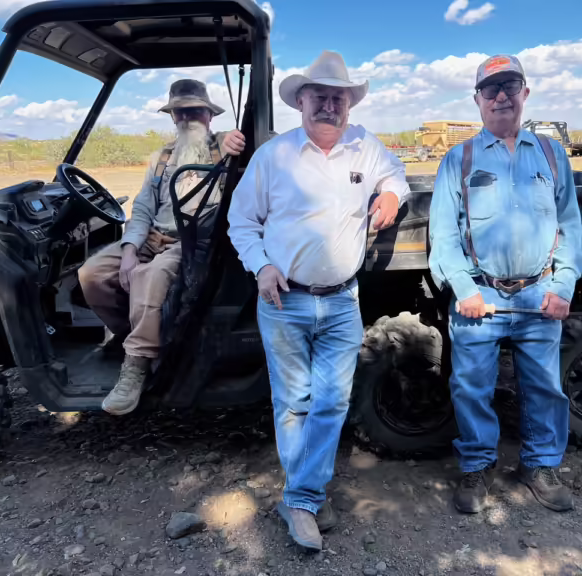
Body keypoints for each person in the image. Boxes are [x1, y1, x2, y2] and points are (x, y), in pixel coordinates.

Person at [227, 50, 410, 551]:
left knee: (331, 401)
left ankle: (301, 496)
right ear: (301, 101)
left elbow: (395, 175)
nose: (330, 105)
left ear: (349, 104)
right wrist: (262, 265)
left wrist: (391, 195)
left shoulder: (363, 146)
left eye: (339, 97)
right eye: (320, 96)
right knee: (293, 403)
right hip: (285, 301)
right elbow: (241, 221)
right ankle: (306, 496)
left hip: (341, 302)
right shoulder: (274, 155)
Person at [428, 54, 582, 514]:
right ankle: (478, 466)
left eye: (510, 86)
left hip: (540, 295)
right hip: (481, 295)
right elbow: (443, 235)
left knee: (544, 387)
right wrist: (465, 289)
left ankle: (539, 466)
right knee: (471, 387)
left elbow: (570, 227)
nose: (501, 96)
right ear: (477, 100)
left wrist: (564, 286)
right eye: (490, 89)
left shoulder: (553, 156)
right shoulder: (459, 160)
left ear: (525, 94)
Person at [78, 79, 246, 416]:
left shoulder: (224, 149)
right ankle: (137, 339)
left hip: (189, 242)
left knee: (150, 276)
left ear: (210, 115)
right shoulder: (162, 157)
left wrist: (235, 144)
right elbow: (142, 208)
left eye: (195, 111)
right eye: (181, 112)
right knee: (92, 274)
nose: (188, 118)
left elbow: (248, 144)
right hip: (152, 237)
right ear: (172, 117)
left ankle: (137, 365)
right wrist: (129, 249)